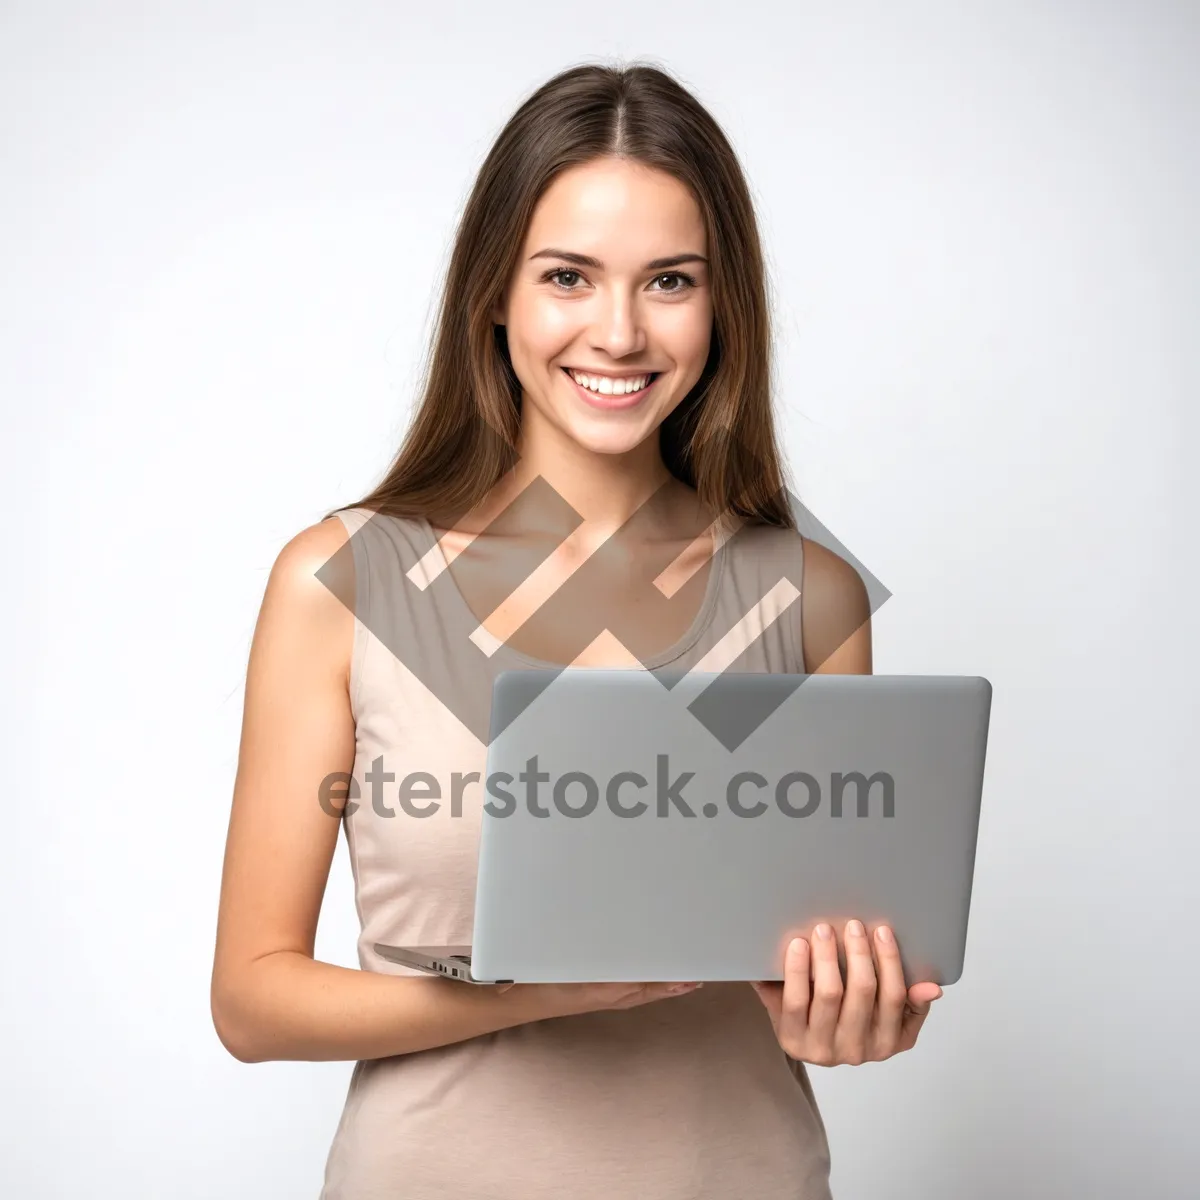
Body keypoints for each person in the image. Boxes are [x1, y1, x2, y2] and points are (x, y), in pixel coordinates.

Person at [210, 60, 944, 1199]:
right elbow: (251, 1001)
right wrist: (538, 992)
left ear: (721, 306)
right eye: (567, 276)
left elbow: (831, 996)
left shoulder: (810, 598)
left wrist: (858, 1019)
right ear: (494, 294)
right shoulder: (342, 581)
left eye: (669, 280)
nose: (616, 330)